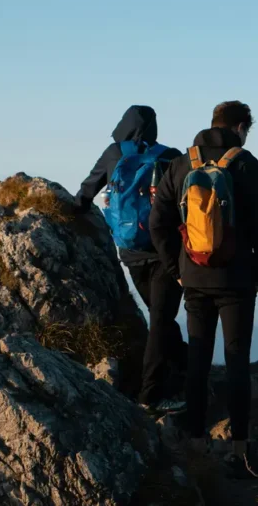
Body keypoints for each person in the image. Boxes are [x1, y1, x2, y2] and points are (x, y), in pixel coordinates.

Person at [149, 100, 258, 477]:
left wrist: (177, 269)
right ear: (240, 127)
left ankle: (197, 441)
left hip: (195, 279)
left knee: (199, 359)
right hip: (236, 280)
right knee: (237, 360)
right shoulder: (244, 162)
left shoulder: (182, 162)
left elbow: (159, 222)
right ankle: (239, 450)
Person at [77, 105, 188, 414]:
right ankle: (150, 395)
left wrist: (74, 211)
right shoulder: (172, 156)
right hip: (167, 252)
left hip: (130, 252)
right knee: (161, 319)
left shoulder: (114, 152)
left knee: (159, 315)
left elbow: (86, 191)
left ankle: (184, 366)